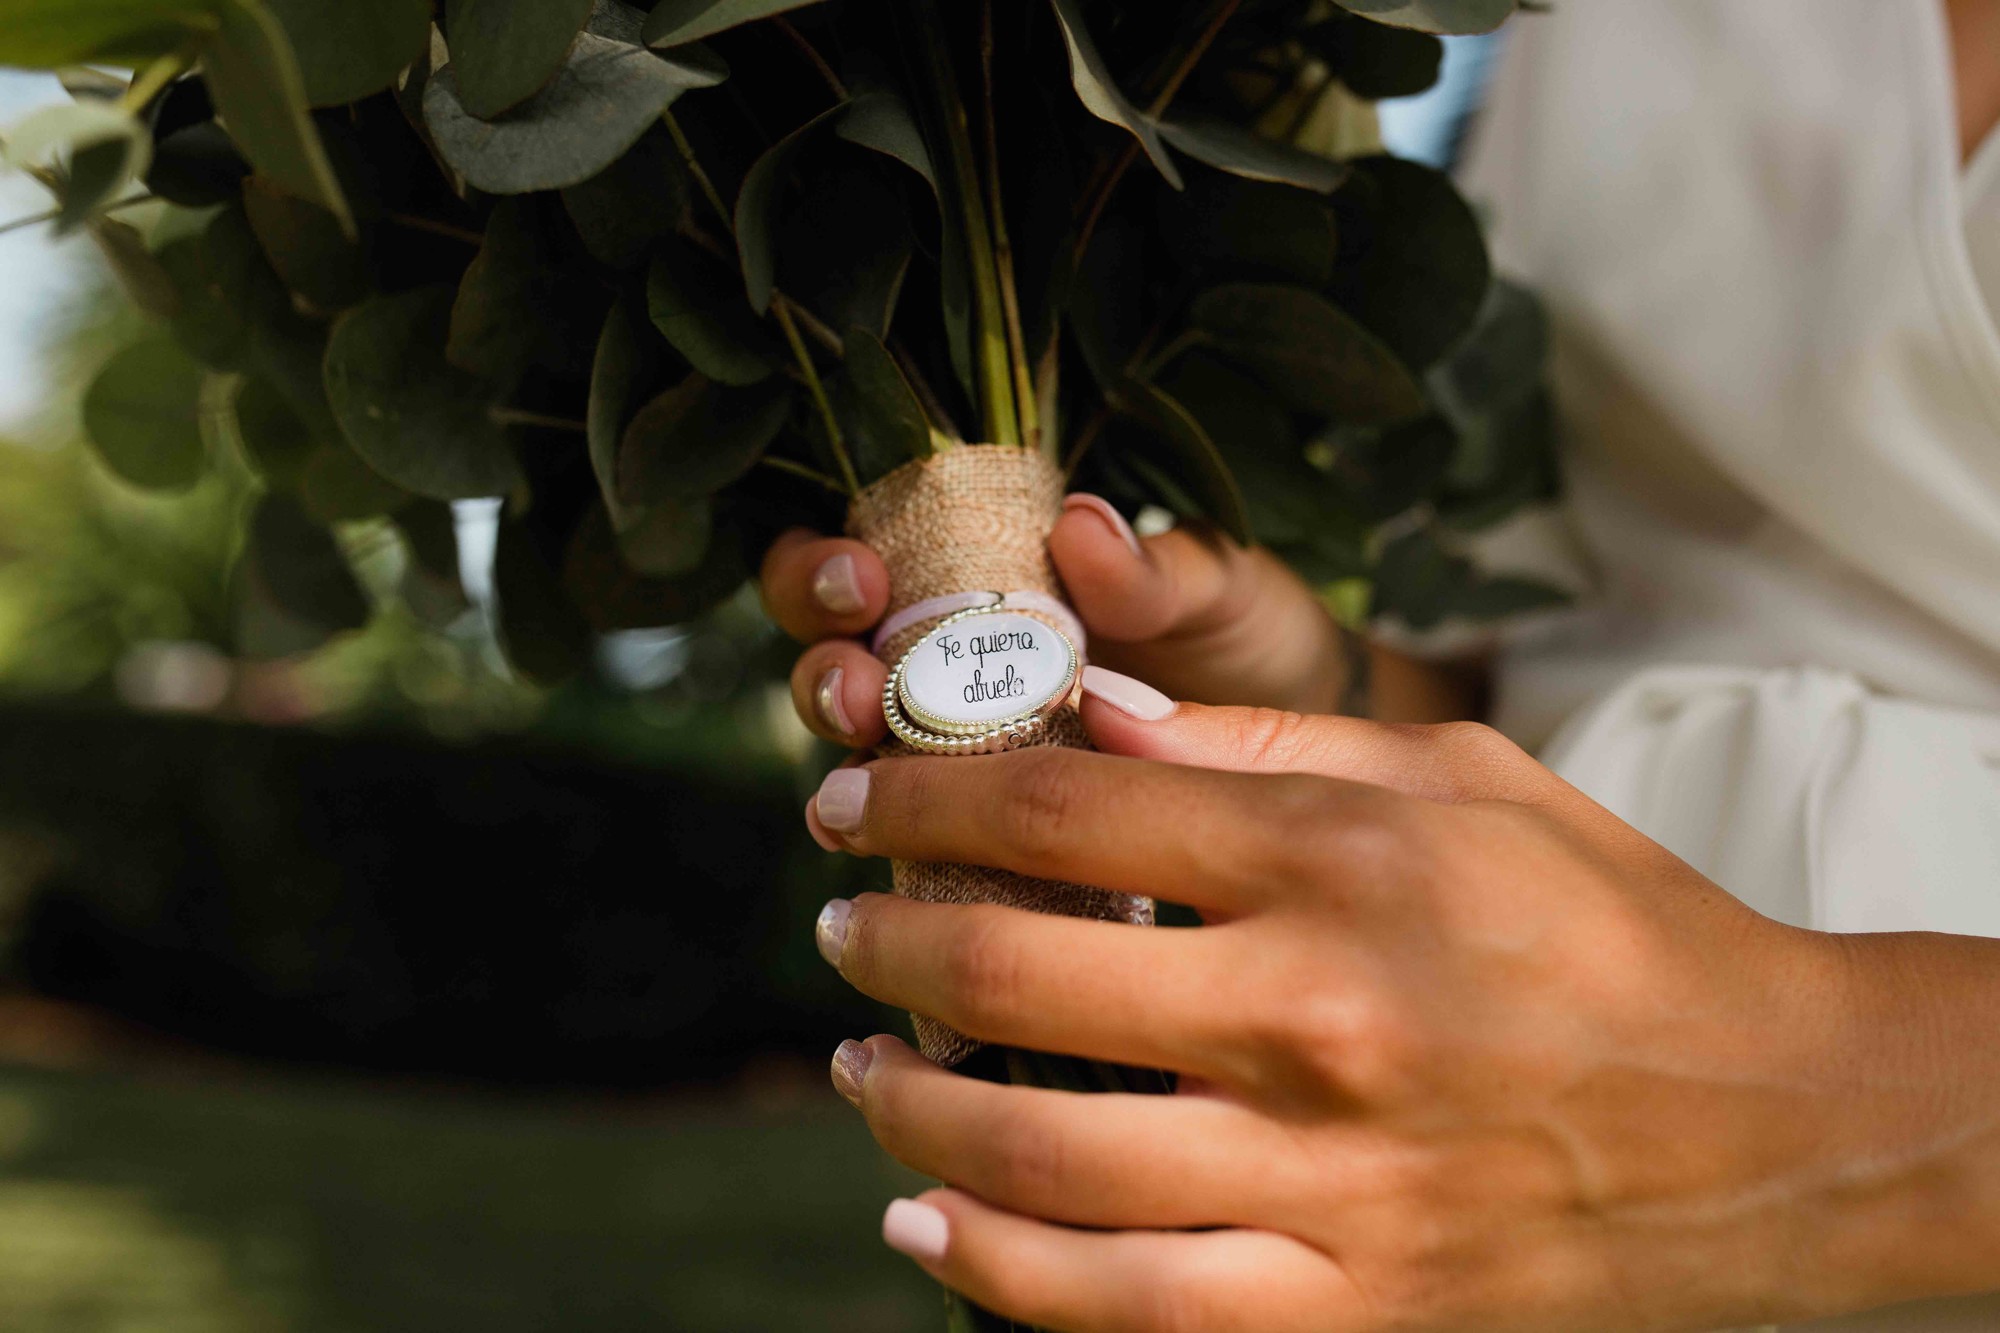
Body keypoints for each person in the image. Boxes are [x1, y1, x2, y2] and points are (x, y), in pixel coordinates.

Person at [759, 1, 2000, 1328]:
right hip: (1452, 1161)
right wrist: (1299, 696)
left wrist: (1802, 1109)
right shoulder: (1595, 23)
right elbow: (1534, 665)